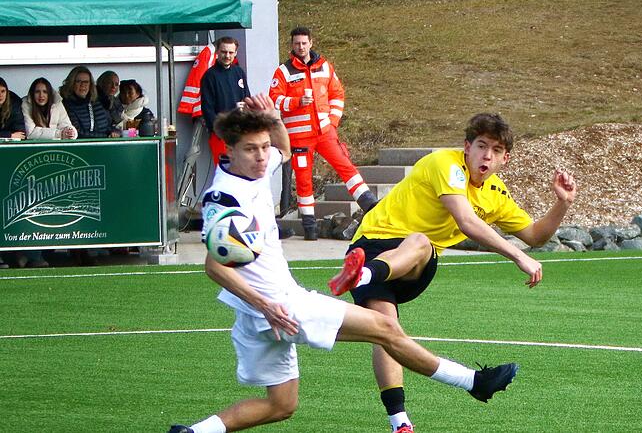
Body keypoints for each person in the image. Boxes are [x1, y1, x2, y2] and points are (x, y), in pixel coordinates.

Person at [167, 95, 519, 433]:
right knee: (385, 328)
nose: (262, 157)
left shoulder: (256, 167)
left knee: (281, 405)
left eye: (263, 146)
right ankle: (474, 382)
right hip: (278, 304)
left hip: (260, 312)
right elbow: (215, 267)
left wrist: (274, 120)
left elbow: (284, 150)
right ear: (228, 150)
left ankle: (193, 432)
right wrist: (266, 305)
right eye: (251, 149)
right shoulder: (224, 197)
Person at [327, 113, 577, 433]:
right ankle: (400, 422)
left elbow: (535, 235)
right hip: (370, 247)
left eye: (496, 150)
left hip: (410, 263)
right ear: (466, 147)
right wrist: (518, 257)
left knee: (418, 242)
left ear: (505, 159)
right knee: (385, 329)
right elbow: (466, 221)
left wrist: (562, 204)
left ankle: (361, 277)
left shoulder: (496, 194)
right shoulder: (444, 163)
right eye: (481, 145)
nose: (487, 155)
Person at [269, 26, 378, 241]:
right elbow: (275, 99)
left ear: (311, 43)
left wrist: (333, 121)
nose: (300, 47)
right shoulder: (283, 71)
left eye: (304, 43)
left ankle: (370, 204)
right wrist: (296, 102)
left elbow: (337, 94)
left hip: (325, 132)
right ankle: (309, 226)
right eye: (296, 43)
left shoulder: (324, 66)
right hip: (299, 136)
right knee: (303, 180)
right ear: (292, 45)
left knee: (345, 165)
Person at [200, 36, 250, 165]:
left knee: (243, 169)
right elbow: (207, 109)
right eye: (224, 52)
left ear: (236, 53)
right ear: (217, 52)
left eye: (231, 52)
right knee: (225, 171)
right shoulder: (209, 76)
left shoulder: (239, 72)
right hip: (220, 134)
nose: (227, 56)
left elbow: (247, 98)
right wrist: (219, 131)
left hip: (240, 132)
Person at [60, 66, 118, 139]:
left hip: (103, 145)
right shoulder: (66, 105)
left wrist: (114, 132)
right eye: (78, 81)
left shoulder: (96, 102)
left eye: (86, 82)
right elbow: (77, 132)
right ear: (72, 83)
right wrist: (105, 136)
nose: (83, 85)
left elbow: (107, 126)